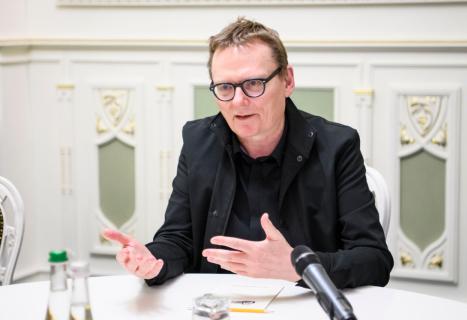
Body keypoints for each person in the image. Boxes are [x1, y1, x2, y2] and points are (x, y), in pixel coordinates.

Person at [103, 17, 393, 289]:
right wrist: (155, 261)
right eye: (226, 87)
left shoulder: (337, 146)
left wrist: (297, 267)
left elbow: (374, 260)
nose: (239, 102)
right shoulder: (197, 141)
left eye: (254, 84)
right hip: (215, 307)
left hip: (303, 304)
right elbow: (178, 238)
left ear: (287, 81)